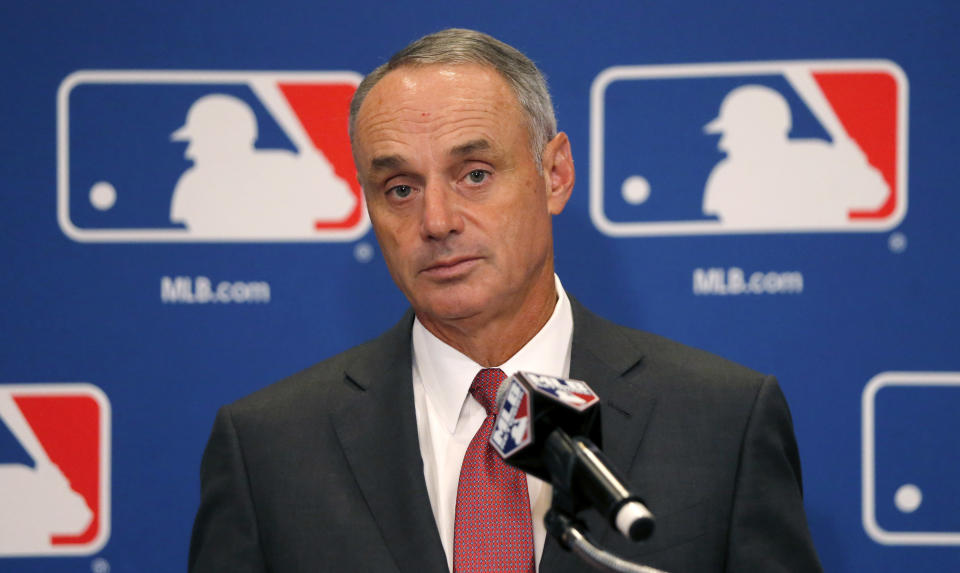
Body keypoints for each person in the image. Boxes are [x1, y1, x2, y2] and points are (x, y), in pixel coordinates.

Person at [189, 29, 823, 572]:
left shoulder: (723, 422)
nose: (436, 221)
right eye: (401, 188)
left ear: (555, 175)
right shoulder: (267, 448)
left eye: (475, 175)